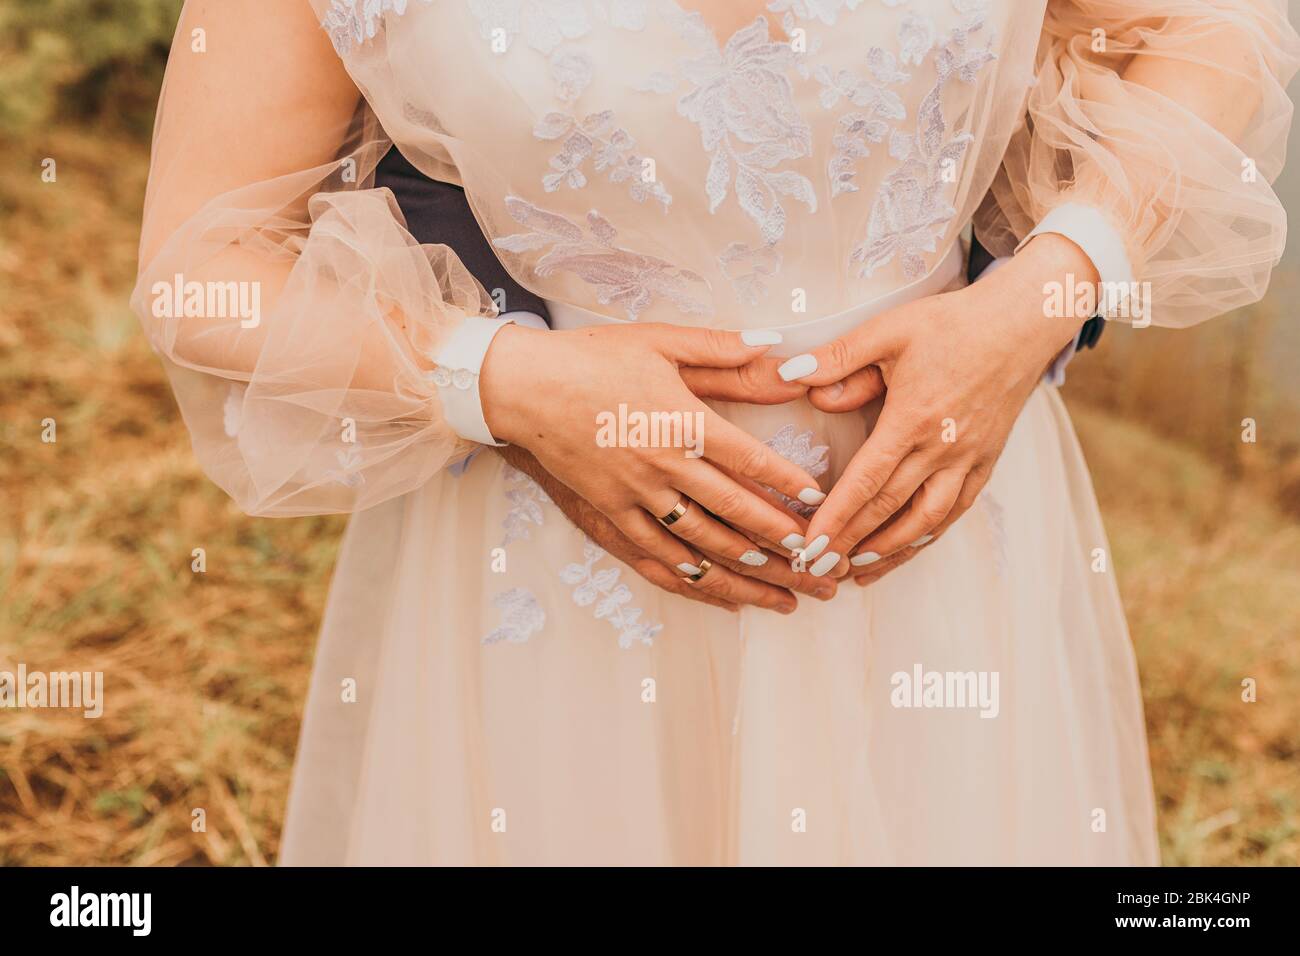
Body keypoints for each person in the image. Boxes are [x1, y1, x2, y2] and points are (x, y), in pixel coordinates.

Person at [131, 0, 1297, 864]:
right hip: (558, 566)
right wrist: (496, 378)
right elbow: (198, 272)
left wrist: (1045, 291)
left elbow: (1209, 27)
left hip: (939, 532)